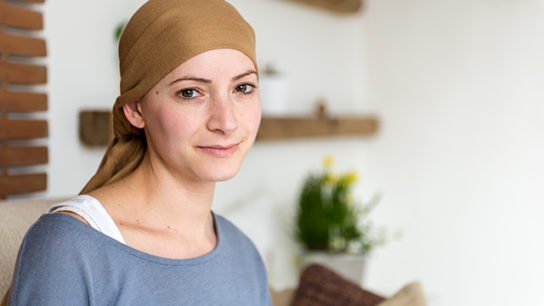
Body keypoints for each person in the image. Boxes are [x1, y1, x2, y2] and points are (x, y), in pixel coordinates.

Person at [5, 0, 271, 304]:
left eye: (243, 88)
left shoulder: (245, 255)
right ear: (135, 109)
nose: (226, 121)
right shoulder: (69, 250)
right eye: (190, 92)